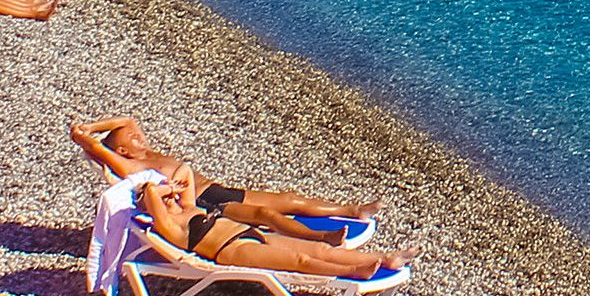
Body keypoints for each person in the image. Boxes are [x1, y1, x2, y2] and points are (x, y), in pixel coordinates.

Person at [70, 117, 375, 241]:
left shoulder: (144, 154)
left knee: (286, 199)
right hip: (204, 204)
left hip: (214, 190)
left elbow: (127, 120)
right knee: (272, 211)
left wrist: (95, 124)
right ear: (121, 150)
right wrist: (87, 135)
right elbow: (93, 145)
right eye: (134, 139)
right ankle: (323, 237)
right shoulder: (128, 166)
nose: (141, 137)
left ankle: (349, 210)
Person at [133, 166, 409, 281]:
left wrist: (172, 186)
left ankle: (385, 258)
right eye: (164, 197)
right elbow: (152, 194)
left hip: (248, 232)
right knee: (300, 260)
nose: (171, 197)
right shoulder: (168, 226)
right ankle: (354, 271)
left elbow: (184, 170)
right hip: (230, 248)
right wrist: (161, 191)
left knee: (320, 250)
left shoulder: (188, 207)